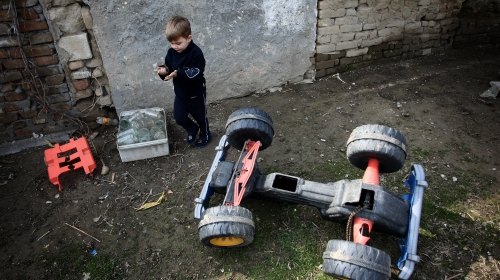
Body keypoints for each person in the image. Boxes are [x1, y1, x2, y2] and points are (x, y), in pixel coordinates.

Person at [157, 15, 212, 148]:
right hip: (181, 94)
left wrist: (178, 74)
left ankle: (206, 134)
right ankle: (192, 128)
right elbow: (169, 68)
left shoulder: (196, 53)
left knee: (201, 117)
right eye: (171, 43)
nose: (174, 46)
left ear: (189, 38)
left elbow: (196, 73)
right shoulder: (171, 53)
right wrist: (164, 71)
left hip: (196, 94)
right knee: (179, 117)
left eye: (178, 43)